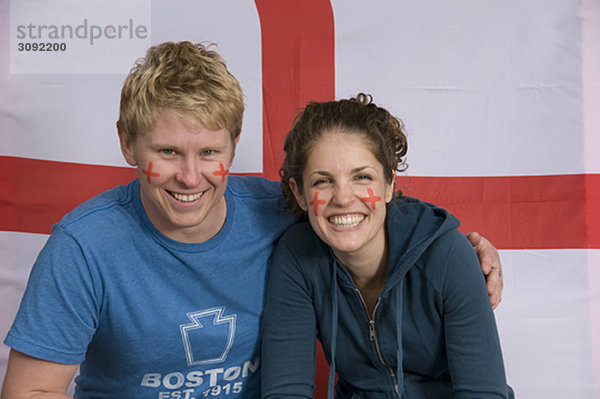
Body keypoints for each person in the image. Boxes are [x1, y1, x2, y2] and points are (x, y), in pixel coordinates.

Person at [1, 42, 503, 399]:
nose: (190, 176)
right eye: (168, 151)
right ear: (127, 144)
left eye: (210, 152)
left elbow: (366, 210)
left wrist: (461, 249)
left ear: (234, 146)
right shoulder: (83, 246)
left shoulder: (278, 212)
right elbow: (31, 390)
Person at [261, 94, 514, 398]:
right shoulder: (297, 255)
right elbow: (286, 391)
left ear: (389, 183)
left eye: (362, 177)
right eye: (322, 182)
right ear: (299, 193)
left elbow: (483, 393)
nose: (342, 198)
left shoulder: (447, 254)